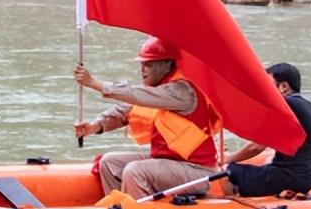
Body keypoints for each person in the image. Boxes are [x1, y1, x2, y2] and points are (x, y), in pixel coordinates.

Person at [73, 37, 220, 199]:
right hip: (168, 161)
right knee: (109, 162)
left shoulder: (183, 91)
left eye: (148, 65)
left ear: (167, 64)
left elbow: (134, 95)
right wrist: (94, 126)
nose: (142, 70)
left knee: (135, 171)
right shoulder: (157, 89)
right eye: (141, 64)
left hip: (197, 171)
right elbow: (124, 111)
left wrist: (93, 83)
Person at [222, 63, 311, 197]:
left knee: (227, 172)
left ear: (283, 87)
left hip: (287, 179)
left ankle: (236, 208)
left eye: (267, 84)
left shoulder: (284, 105)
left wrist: (227, 159)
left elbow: (256, 147)